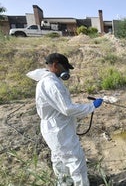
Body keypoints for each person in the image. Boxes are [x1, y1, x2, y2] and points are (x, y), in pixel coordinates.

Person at [26, 53, 103, 186]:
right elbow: (67, 109)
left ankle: (64, 183)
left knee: (59, 158)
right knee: (75, 160)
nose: (66, 71)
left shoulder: (48, 80)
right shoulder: (51, 84)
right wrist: (91, 106)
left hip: (54, 128)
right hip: (59, 129)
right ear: (55, 65)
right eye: (65, 68)